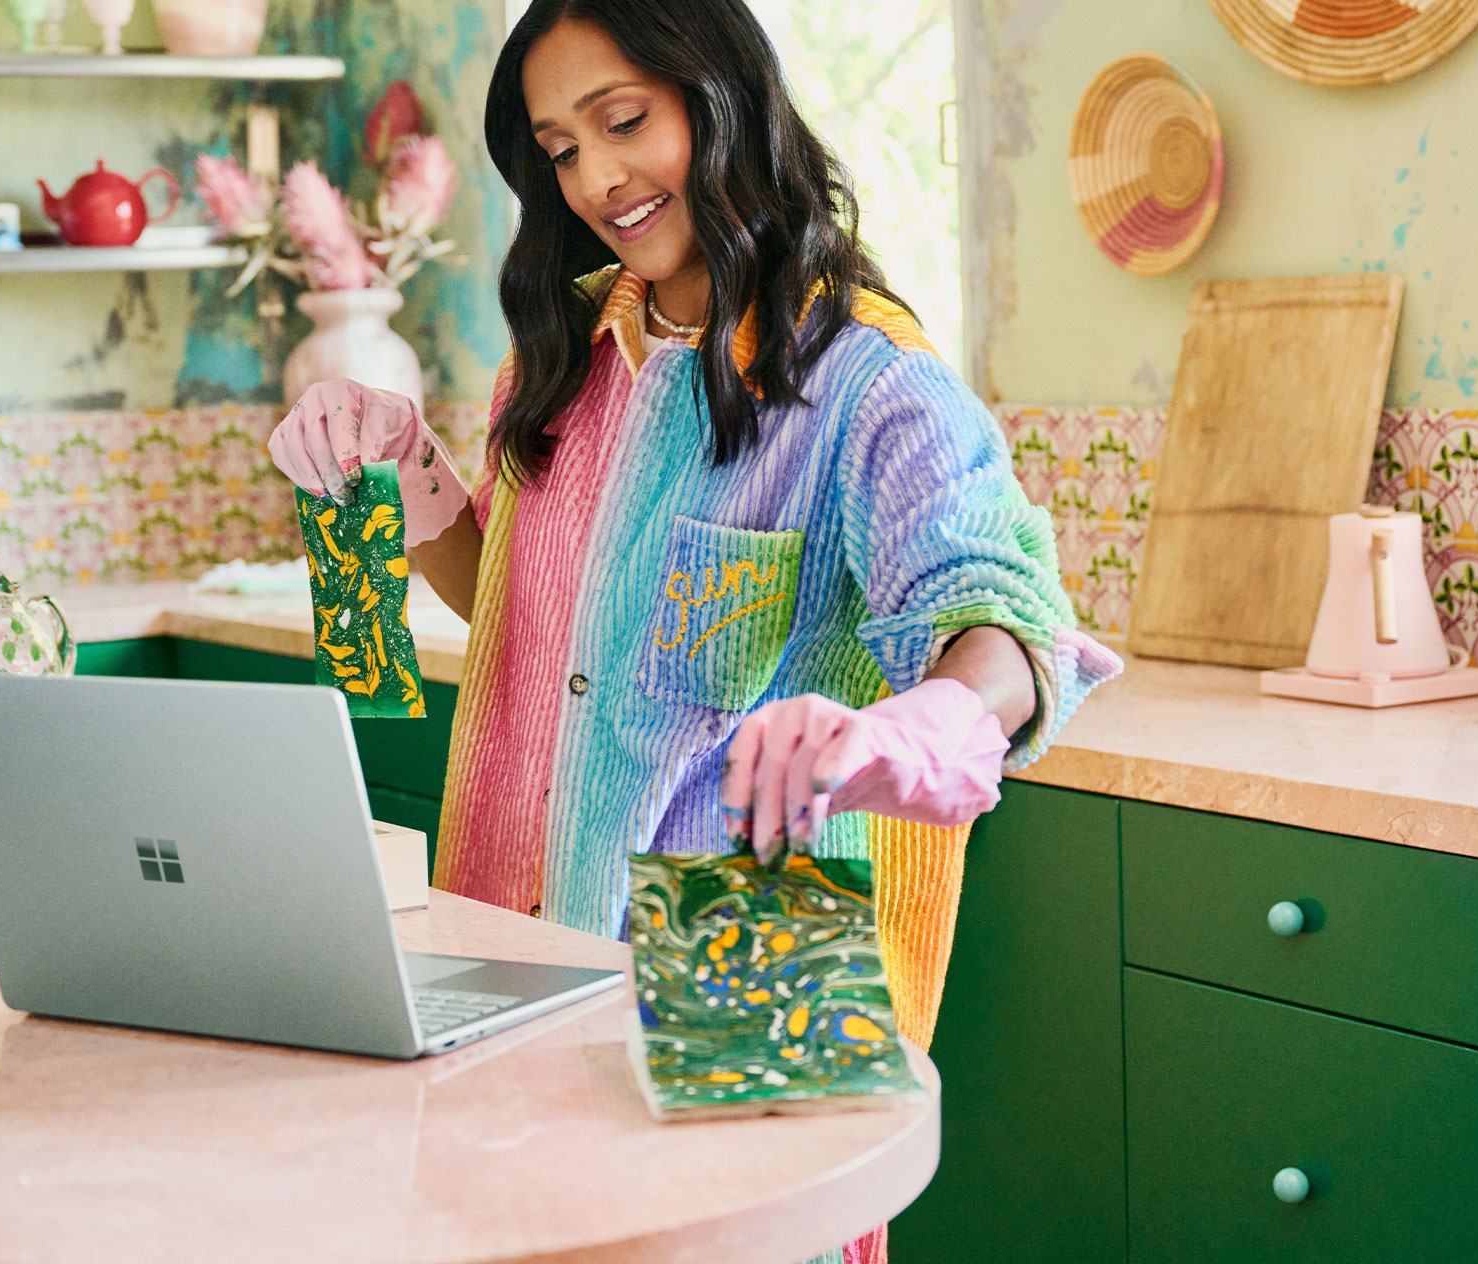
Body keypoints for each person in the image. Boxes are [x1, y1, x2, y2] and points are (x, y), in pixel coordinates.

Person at [269, 2, 1120, 1258]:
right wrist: (411, 473)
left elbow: (1001, 612)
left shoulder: (865, 379)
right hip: (514, 940)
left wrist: (929, 719)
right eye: (560, 147)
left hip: (743, 978)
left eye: (625, 121)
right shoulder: (559, 358)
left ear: (723, 99)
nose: (598, 177)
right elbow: (527, 611)